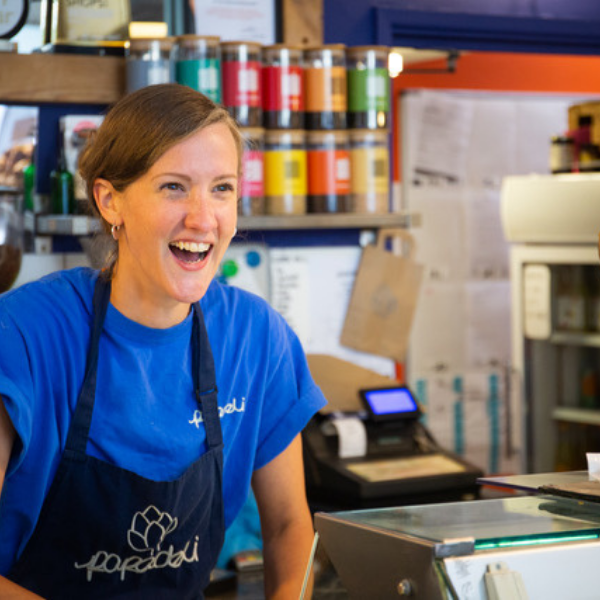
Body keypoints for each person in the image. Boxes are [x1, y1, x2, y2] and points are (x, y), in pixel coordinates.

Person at [0, 83, 327, 599]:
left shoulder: (256, 340)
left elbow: (289, 526)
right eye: (174, 186)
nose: (203, 218)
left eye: (222, 188)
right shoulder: (24, 335)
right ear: (111, 201)